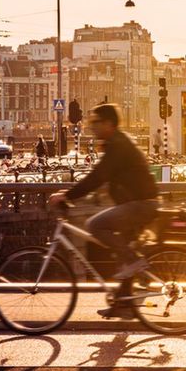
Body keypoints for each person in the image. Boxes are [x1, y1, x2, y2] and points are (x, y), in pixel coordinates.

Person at [48, 104, 160, 319]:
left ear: (109, 123)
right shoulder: (117, 142)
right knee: (122, 254)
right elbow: (102, 176)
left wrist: (67, 195)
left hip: (139, 205)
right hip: (137, 203)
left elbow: (97, 177)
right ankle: (124, 304)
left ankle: (136, 262)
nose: (92, 127)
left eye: (96, 122)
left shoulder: (117, 146)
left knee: (95, 225)